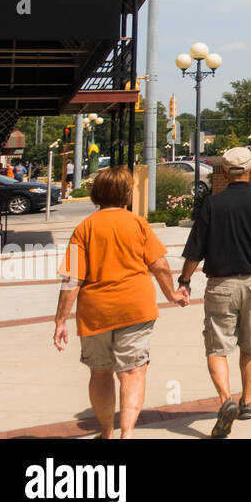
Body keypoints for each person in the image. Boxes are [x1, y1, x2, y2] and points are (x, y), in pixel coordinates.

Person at [53, 167, 183, 438]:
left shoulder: (84, 229)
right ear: (126, 194)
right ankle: (127, 433)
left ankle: (106, 431)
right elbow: (159, 265)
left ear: (95, 195)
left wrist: (60, 320)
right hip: (135, 308)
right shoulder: (137, 224)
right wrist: (172, 295)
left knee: (100, 373)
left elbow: (72, 280)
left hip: (95, 312)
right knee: (133, 372)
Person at [176, 146, 251, 438]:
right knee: (250, 344)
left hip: (220, 286)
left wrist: (185, 281)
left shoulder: (212, 205)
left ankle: (225, 399)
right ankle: (247, 401)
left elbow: (195, 252)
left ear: (225, 172)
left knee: (217, 348)